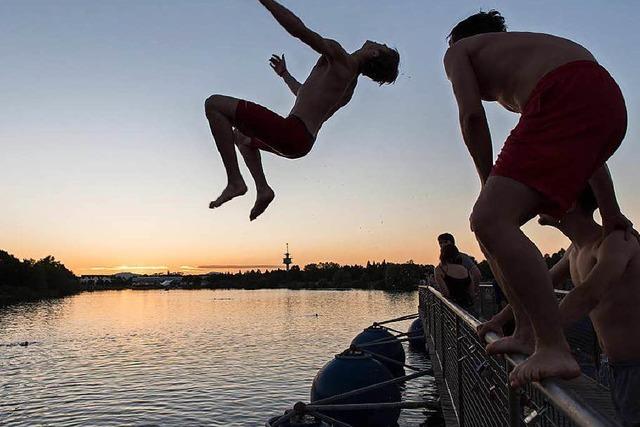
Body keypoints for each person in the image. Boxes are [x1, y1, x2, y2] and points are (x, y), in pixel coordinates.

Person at [444, 10, 631, 385]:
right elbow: (589, 155)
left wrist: (486, 184)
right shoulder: (532, 55)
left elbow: (471, 119)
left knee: (489, 220)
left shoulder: (459, 51)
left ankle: (552, 346)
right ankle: (528, 332)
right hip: (609, 106)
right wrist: (611, 214)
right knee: (494, 226)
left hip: (565, 93)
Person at [205, 0, 400, 220]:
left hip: (292, 132)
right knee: (241, 137)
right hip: (301, 143)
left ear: (374, 53)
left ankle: (235, 181)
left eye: (382, 46)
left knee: (214, 105)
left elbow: (299, 30)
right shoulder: (347, 87)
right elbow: (304, 95)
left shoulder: (340, 58)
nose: (379, 42)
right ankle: (263, 190)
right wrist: (284, 75)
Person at [477, 187, 640, 424]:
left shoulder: (615, 241)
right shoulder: (574, 251)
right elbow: (533, 292)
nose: (536, 199)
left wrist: (536, 333)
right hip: (613, 366)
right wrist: (499, 321)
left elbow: (589, 294)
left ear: (570, 203)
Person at [435, 244, 475, 313]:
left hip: (452, 310)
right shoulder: (465, 269)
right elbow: (471, 292)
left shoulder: (440, 269)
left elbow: (446, 293)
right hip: (468, 306)